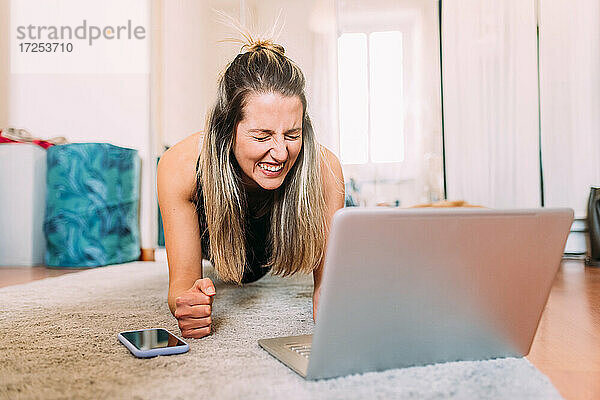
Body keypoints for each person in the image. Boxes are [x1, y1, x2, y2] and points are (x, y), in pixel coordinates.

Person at [157, 37, 345, 339]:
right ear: (227, 129)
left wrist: (334, 304)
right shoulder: (180, 167)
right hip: (221, 251)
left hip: (269, 252)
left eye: (292, 134)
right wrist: (188, 303)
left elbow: (330, 289)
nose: (281, 153)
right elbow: (181, 287)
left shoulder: (325, 171)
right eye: (262, 136)